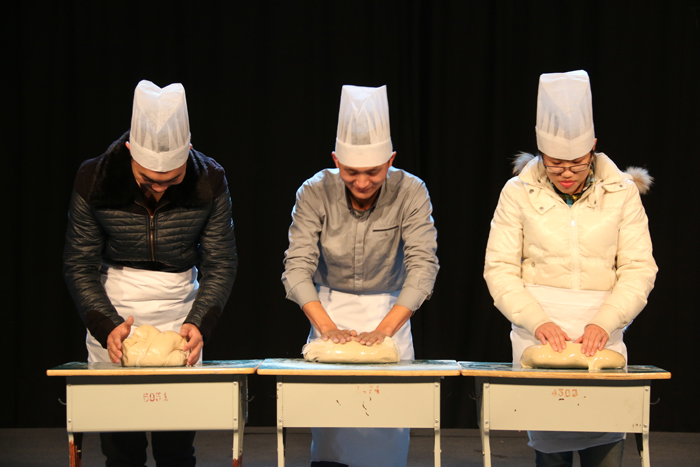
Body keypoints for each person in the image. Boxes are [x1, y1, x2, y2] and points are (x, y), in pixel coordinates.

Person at [483, 70, 657, 467]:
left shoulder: (622, 193)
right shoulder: (518, 192)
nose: (566, 173)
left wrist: (605, 321)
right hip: (539, 333)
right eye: (555, 163)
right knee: (552, 448)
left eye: (577, 164)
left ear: (593, 148)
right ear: (541, 153)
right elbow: (500, 268)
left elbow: (638, 268)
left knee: (605, 442)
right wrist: (536, 321)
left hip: (604, 331)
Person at [63, 80, 237, 467]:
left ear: (188, 152)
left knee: (176, 448)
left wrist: (200, 322)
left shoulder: (210, 180)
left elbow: (220, 262)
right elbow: (79, 263)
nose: (159, 189)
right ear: (130, 150)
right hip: (116, 305)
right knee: (120, 449)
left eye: (171, 180)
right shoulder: (94, 179)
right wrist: (106, 325)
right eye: (147, 180)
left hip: (179, 309)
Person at [282, 84, 439, 467]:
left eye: (374, 172)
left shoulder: (411, 191)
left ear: (390, 161)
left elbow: (423, 267)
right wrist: (327, 328)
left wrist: (384, 332)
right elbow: (297, 267)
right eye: (351, 172)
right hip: (329, 307)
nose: (363, 182)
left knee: (385, 419)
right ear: (336, 161)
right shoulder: (314, 192)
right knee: (331, 421)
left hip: (390, 310)